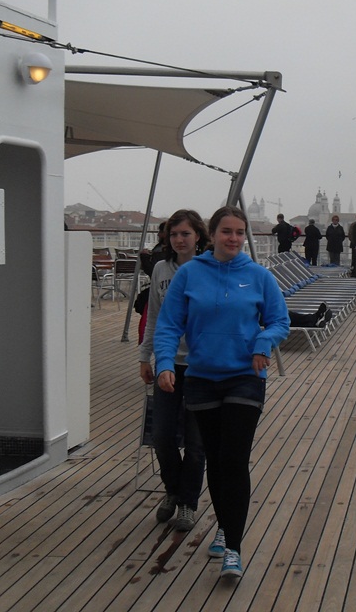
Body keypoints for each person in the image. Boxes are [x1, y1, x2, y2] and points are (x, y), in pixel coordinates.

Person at [154, 206, 290, 580]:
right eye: (226, 231)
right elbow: (167, 325)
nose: (233, 238)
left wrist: (263, 341)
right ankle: (226, 522)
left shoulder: (259, 276)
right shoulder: (190, 275)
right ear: (211, 235)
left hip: (246, 376)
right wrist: (165, 363)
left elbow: (280, 320)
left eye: (239, 232)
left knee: (233, 460)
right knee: (214, 460)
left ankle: (233, 546)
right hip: (201, 377)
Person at [138, 210, 209, 532]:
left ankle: (187, 502)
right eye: (174, 234)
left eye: (186, 234)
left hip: (203, 369)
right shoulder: (161, 270)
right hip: (168, 364)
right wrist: (145, 356)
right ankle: (173, 490)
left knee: (196, 444)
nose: (179, 240)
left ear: (198, 237)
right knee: (163, 436)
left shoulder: (209, 269)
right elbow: (154, 316)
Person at [136, 221, 169, 344]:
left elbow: (152, 271)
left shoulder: (160, 253)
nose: (158, 234)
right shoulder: (162, 253)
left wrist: (145, 258)